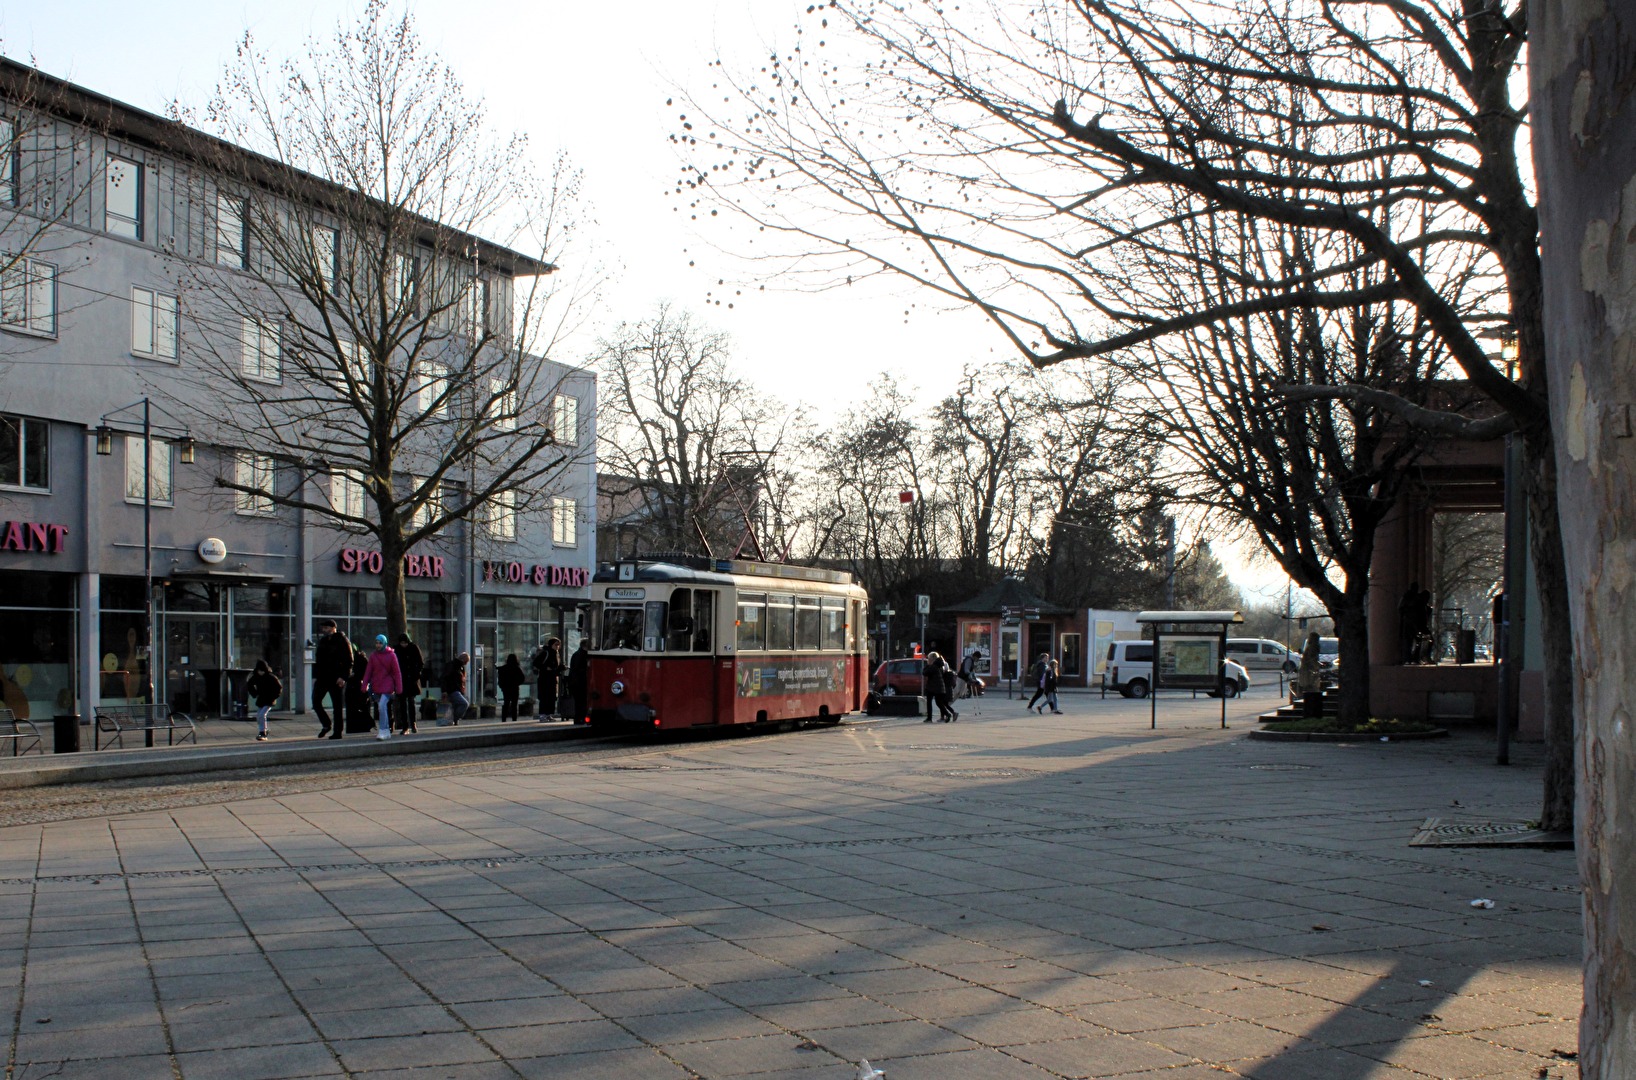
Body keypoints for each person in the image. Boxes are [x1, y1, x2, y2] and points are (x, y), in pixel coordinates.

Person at [311, 619, 353, 739]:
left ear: (333, 628)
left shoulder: (342, 640)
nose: (324, 630)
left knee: (337, 706)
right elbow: (318, 660)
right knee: (316, 701)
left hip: (336, 678)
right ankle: (326, 724)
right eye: (323, 628)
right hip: (323, 678)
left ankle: (337, 732)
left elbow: (349, 661)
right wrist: (316, 676)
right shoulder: (323, 641)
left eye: (326, 627)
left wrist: (343, 677)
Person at [362, 635, 402, 741]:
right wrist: (364, 684)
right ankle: (387, 731)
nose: (378, 645)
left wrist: (399, 687)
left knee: (381, 706)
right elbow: (368, 671)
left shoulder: (392, 655)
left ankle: (383, 730)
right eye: (376, 643)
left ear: (384, 643)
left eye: (380, 643)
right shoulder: (373, 656)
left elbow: (397, 672)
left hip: (388, 685)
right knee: (381, 708)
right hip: (376, 685)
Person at [393, 633, 424, 734]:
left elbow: (420, 663)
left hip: (412, 679)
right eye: (402, 643)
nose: (403, 645)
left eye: (405, 643)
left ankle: (413, 723)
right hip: (401, 679)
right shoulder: (396, 649)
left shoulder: (414, 648)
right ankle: (405, 726)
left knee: (411, 702)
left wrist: (416, 674)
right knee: (402, 703)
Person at [246, 659, 281, 742]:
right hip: (262, 699)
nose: (260, 672)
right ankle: (265, 729)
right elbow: (249, 684)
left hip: (269, 700)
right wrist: (255, 693)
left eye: (262, 671)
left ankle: (263, 732)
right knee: (259, 716)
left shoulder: (271, 677)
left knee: (262, 714)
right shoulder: (256, 677)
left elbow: (278, 688)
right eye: (259, 671)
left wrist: (274, 697)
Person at [531, 638, 564, 719]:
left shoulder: (556, 654)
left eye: (559, 645)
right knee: (545, 697)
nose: (558, 646)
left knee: (552, 697)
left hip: (552, 678)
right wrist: (545, 668)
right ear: (551, 644)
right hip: (544, 679)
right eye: (556, 644)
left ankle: (549, 714)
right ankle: (543, 714)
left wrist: (561, 668)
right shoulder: (546, 653)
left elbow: (556, 667)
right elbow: (535, 663)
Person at [442, 652, 470, 726]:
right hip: (452, 690)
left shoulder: (460, 667)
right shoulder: (452, 665)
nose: (466, 664)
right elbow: (445, 678)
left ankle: (453, 720)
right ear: (463, 659)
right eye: (466, 661)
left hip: (457, 689)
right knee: (464, 703)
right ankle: (454, 718)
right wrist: (444, 690)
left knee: (456, 705)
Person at [566, 639, 589, 723]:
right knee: (581, 701)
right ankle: (580, 718)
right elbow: (579, 669)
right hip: (580, 682)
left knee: (579, 702)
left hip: (575, 682)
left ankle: (579, 718)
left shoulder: (577, 654)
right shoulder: (582, 655)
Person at [497, 653, 525, 721]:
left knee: (506, 703)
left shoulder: (503, 668)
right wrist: (517, 683)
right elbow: (522, 678)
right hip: (514, 688)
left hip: (506, 688)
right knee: (514, 705)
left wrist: (502, 686)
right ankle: (514, 719)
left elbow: (500, 679)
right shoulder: (517, 668)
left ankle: (504, 719)